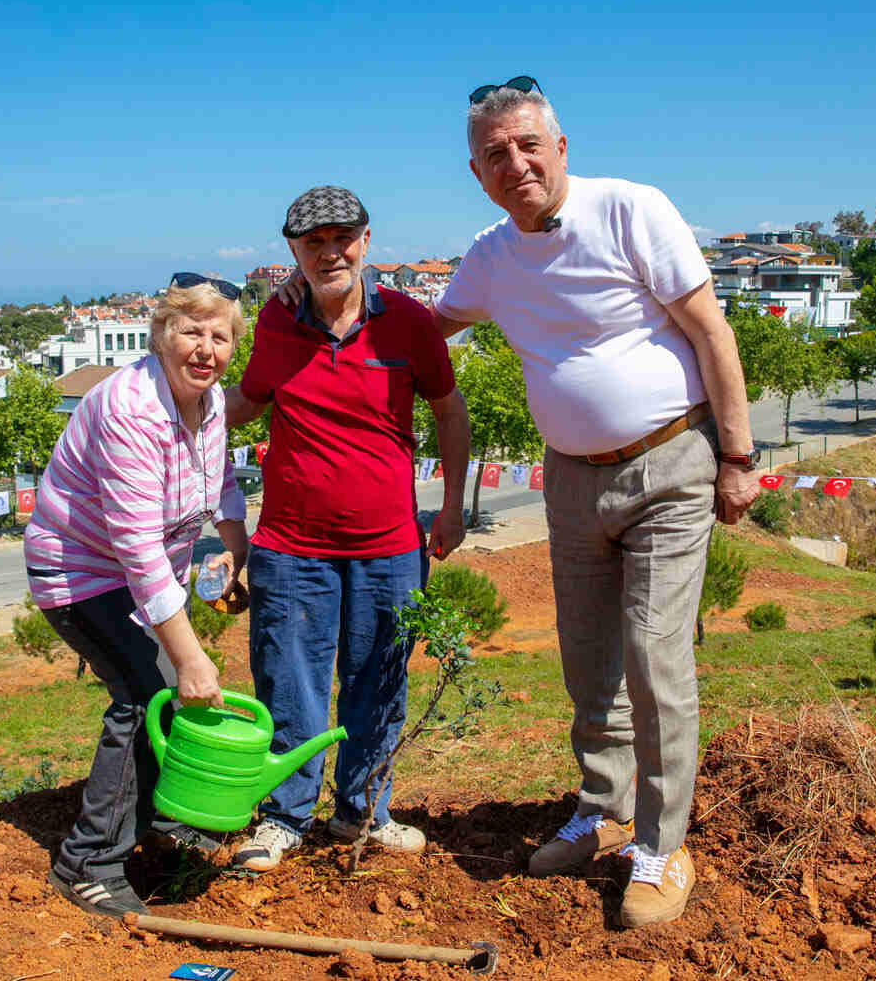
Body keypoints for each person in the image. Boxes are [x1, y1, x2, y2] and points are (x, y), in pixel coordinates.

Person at [433, 77, 761, 928]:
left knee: (655, 659)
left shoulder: (632, 210)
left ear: (561, 147)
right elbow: (426, 331)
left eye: (528, 145)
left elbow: (711, 331)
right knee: (587, 662)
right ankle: (604, 809)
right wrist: (327, 308)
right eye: (495, 155)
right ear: (478, 174)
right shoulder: (490, 255)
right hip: (571, 481)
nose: (516, 164)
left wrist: (737, 455)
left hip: (669, 464)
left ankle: (662, 842)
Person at [225, 185, 471, 872]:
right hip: (290, 546)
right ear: (293, 252)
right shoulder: (275, 325)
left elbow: (450, 413)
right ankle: (283, 818)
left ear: (366, 241)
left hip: (390, 545)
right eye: (313, 243)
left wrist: (451, 509)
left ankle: (363, 812)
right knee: (288, 685)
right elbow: (247, 401)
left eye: (342, 238)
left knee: (379, 682)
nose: (330, 253)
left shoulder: (411, 324)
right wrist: (177, 411)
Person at [23, 274, 250, 917]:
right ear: (159, 336)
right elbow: (137, 548)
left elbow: (222, 482)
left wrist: (235, 549)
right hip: (79, 574)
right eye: (190, 331)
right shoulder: (129, 409)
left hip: (138, 577)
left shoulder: (208, 404)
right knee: (145, 691)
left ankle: (159, 819)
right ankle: (87, 862)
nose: (205, 349)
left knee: (165, 690)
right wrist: (190, 656)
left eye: (220, 336)